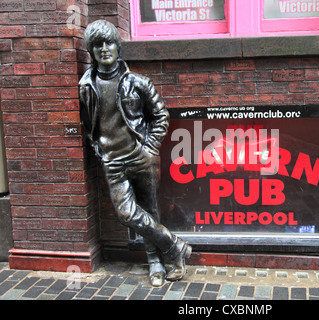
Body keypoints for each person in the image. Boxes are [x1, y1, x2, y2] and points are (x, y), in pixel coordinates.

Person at [79, 20, 191, 287]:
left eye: (109, 43)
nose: (104, 49)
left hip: (142, 157)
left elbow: (161, 116)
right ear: (91, 52)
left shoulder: (137, 82)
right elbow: (88, 126)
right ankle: (175, 247)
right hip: (113, 162)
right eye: (97, 45)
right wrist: (100, 149)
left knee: (150, 211)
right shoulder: (86, 87)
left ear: (118, 47)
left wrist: (150, 147)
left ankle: (156, 264)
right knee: (127, 213)